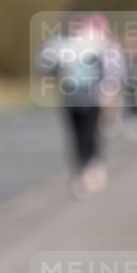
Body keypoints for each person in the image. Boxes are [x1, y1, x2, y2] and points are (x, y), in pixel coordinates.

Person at [39, 13, 125, 197]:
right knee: (75, 134)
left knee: (90, 132)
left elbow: (111, 67)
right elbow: (46, 65)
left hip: (91, 96)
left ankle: (94, 165)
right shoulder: (58, 44)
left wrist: (109, 93)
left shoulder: (95, 42)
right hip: (70, 96)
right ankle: (80, 169)